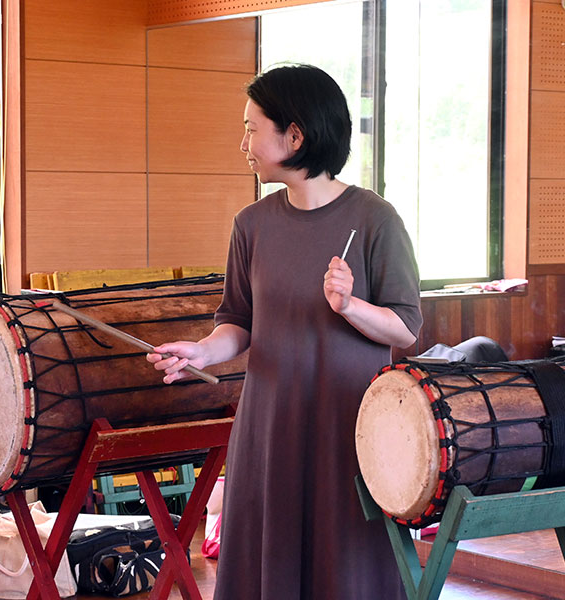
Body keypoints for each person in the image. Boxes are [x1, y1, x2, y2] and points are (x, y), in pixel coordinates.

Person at [148, 64, 422, 599]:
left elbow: (406, 328)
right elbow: (239, 322)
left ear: (294, 135)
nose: (243, 143)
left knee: (345, 565)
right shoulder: (251, 224)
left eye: (252, 128)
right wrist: (201, 351)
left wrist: (350, 306)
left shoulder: (375, 219)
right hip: (270, 423)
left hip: (352, 424)